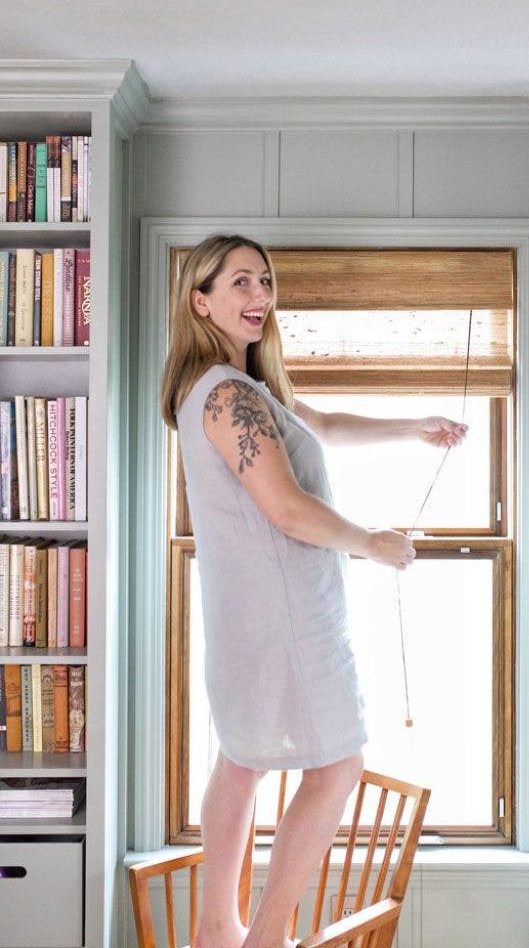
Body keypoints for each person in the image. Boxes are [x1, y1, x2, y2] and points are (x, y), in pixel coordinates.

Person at [160, 234, 467, 948]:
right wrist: (373, 543)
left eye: (263, 281)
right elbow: (287, 508)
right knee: (338, 765)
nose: (258, 296)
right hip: (284, 620)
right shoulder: (225, 394)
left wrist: (410, 427)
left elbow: (316, 425)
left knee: (240, 760)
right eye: (239, 283)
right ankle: (264, 937)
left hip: (249, 620)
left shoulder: (225, 389)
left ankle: (216, 931)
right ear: (198, 300)